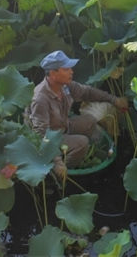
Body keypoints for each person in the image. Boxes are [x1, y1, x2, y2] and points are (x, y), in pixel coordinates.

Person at [27, 50, 128, 180]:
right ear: (53, 73)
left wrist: (114, 100)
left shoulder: (65, 86)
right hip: (47, 140)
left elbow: (88, 92)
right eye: (66, 69)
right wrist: (58, 162)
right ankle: (60, 175)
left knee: (90, 121)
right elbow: (41, 134)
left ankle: (72, 152)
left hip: (62, 127)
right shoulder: (40, 99)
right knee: (82, 142)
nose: (71, 71)